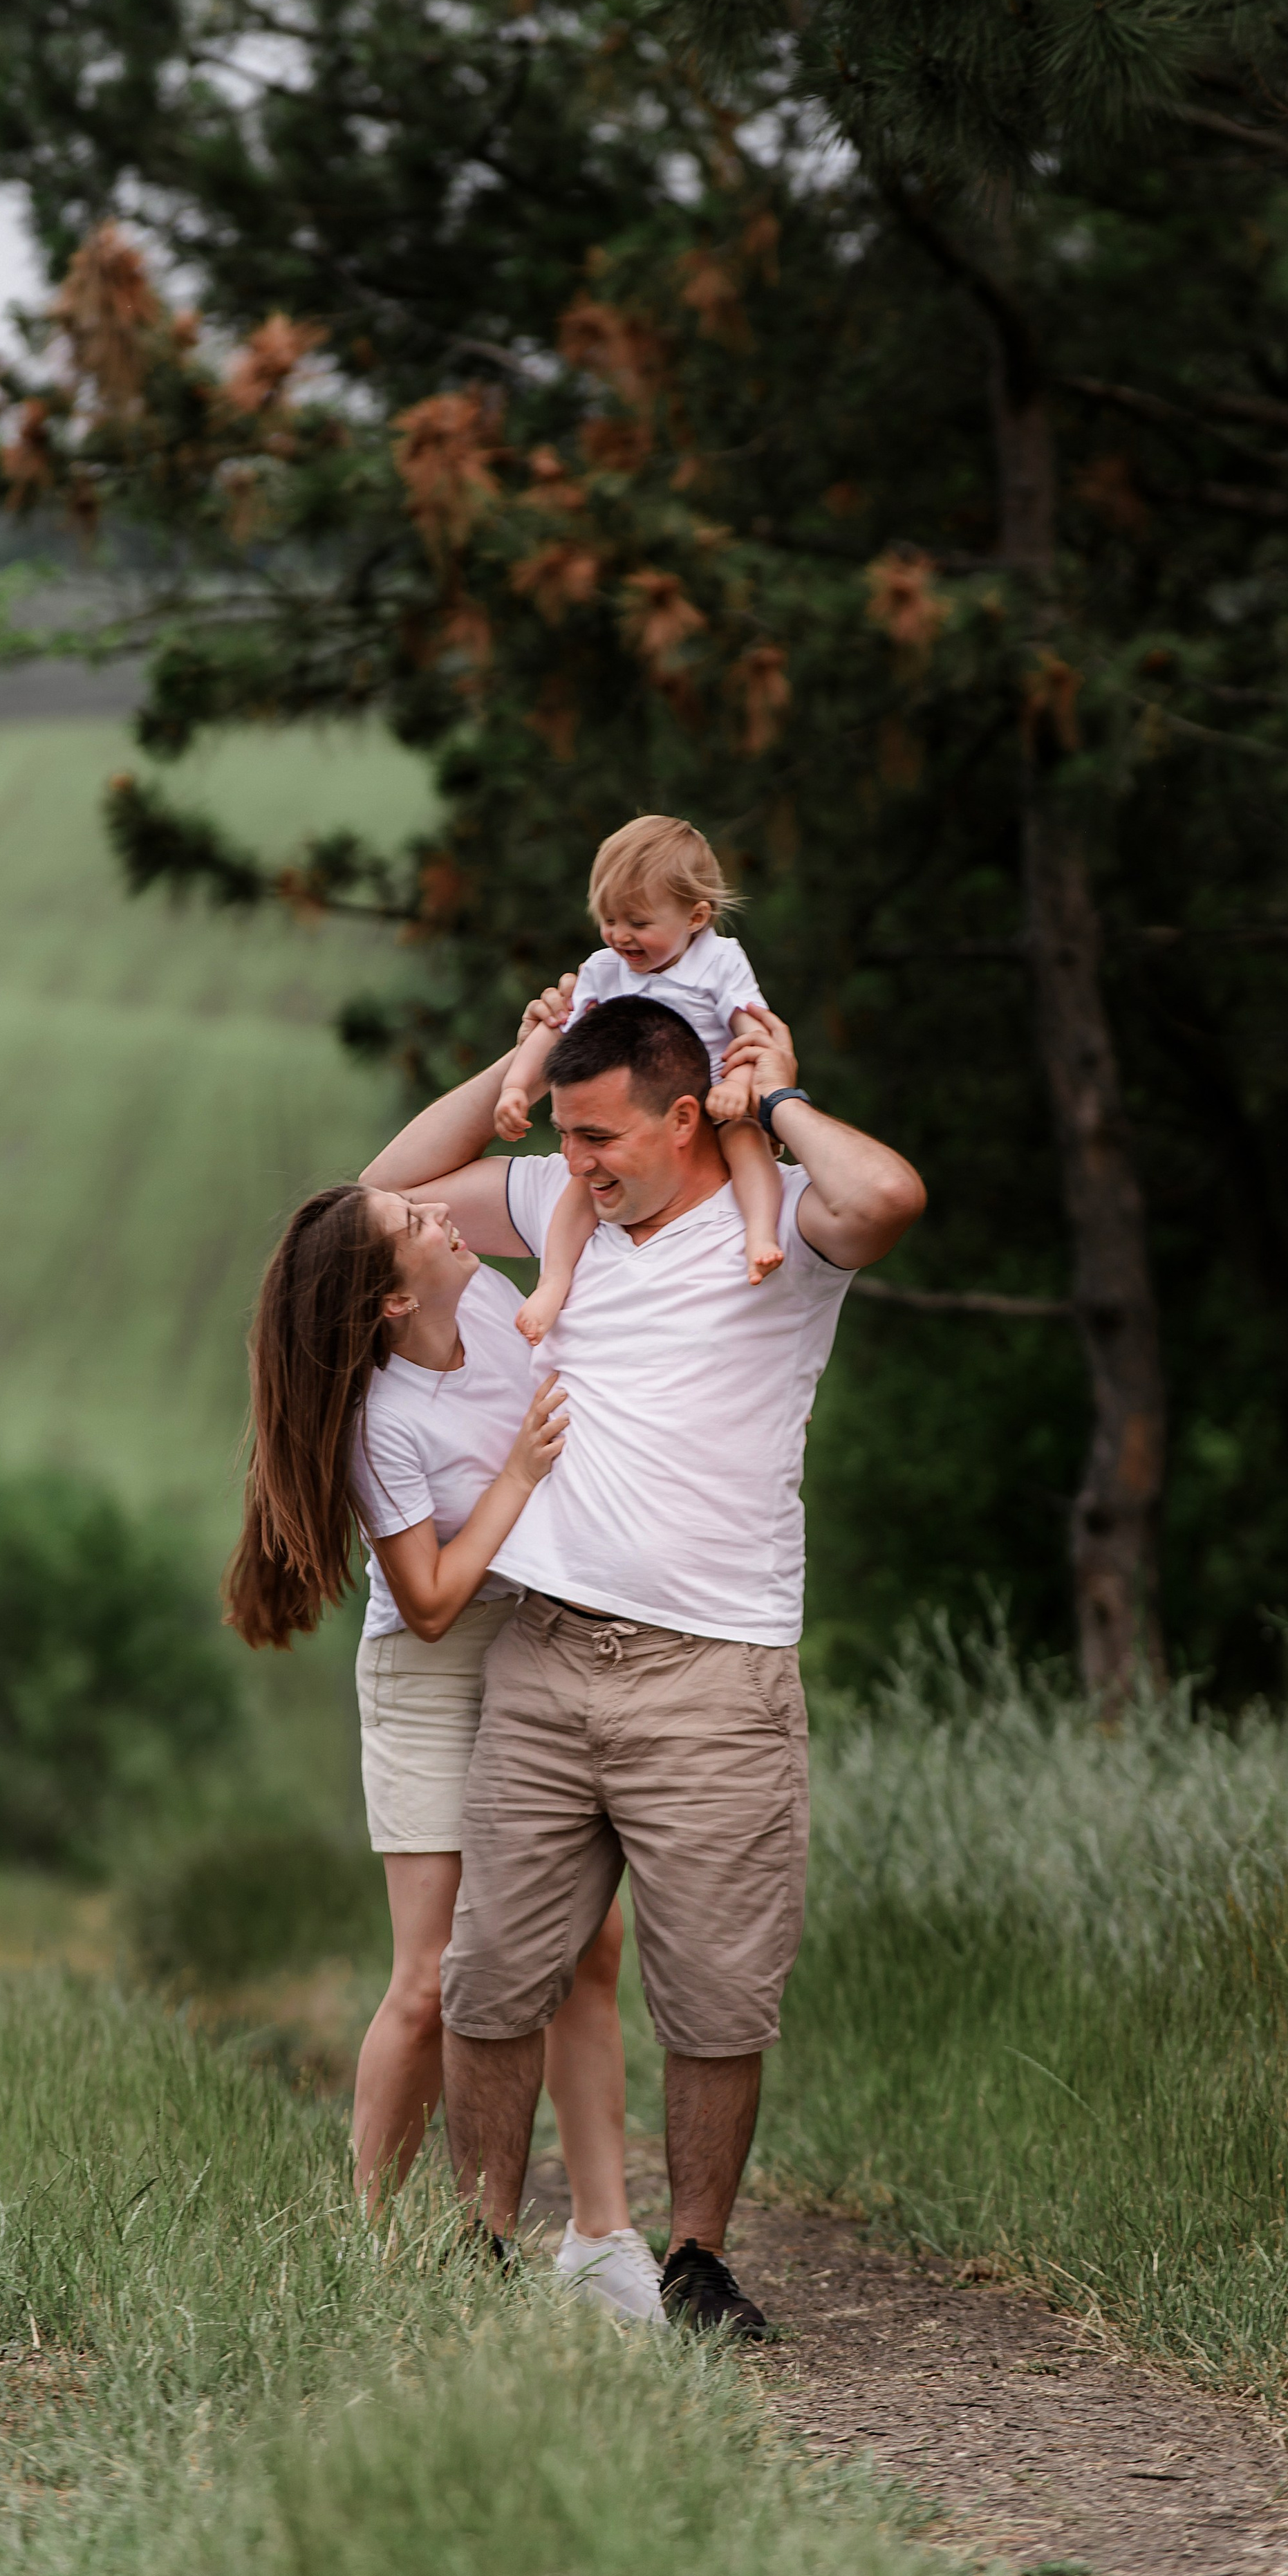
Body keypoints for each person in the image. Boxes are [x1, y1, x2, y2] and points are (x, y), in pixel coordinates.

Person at [361, 989, 924, 2336]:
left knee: (718, 1993)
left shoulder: (777, 1223)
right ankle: (480, 2247)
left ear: (685, 1117)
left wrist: (774, 1100)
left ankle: (694, 2263)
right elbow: (379, 1194)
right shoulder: (567, 1207)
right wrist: (512, 1071)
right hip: (546, 1659)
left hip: (715, 1673)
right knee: (495, 1976)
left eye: (602, 1136)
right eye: (562, 1136)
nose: (579, 1163)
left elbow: (892, 1190)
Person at [223, 1176, 663, 2324]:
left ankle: (603, 2238)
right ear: (384, 1298)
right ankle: (357, 2244)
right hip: (432, 1671)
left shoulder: (493, 1306)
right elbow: (424, 1600)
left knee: (587, 1948)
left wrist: (528, 1061)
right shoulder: (384, 1420)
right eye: (415, 1226)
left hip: (537, 1643)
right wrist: (518, 1473)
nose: (443, 1220)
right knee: (429, 1978)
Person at [496, 815, 784, 1340]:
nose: (620, 935)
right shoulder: (604, 968)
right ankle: (554, 1281)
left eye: (639, 922)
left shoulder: (720, 963)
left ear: (696, 916)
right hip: (638, 1120)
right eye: (608, 919)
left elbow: (754, 1037)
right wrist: (515, 1085)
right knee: (579, 1190)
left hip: (716, 1101)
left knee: (748, 1146)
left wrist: (738, 1087)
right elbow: (555, 1030)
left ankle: (761, 1230)